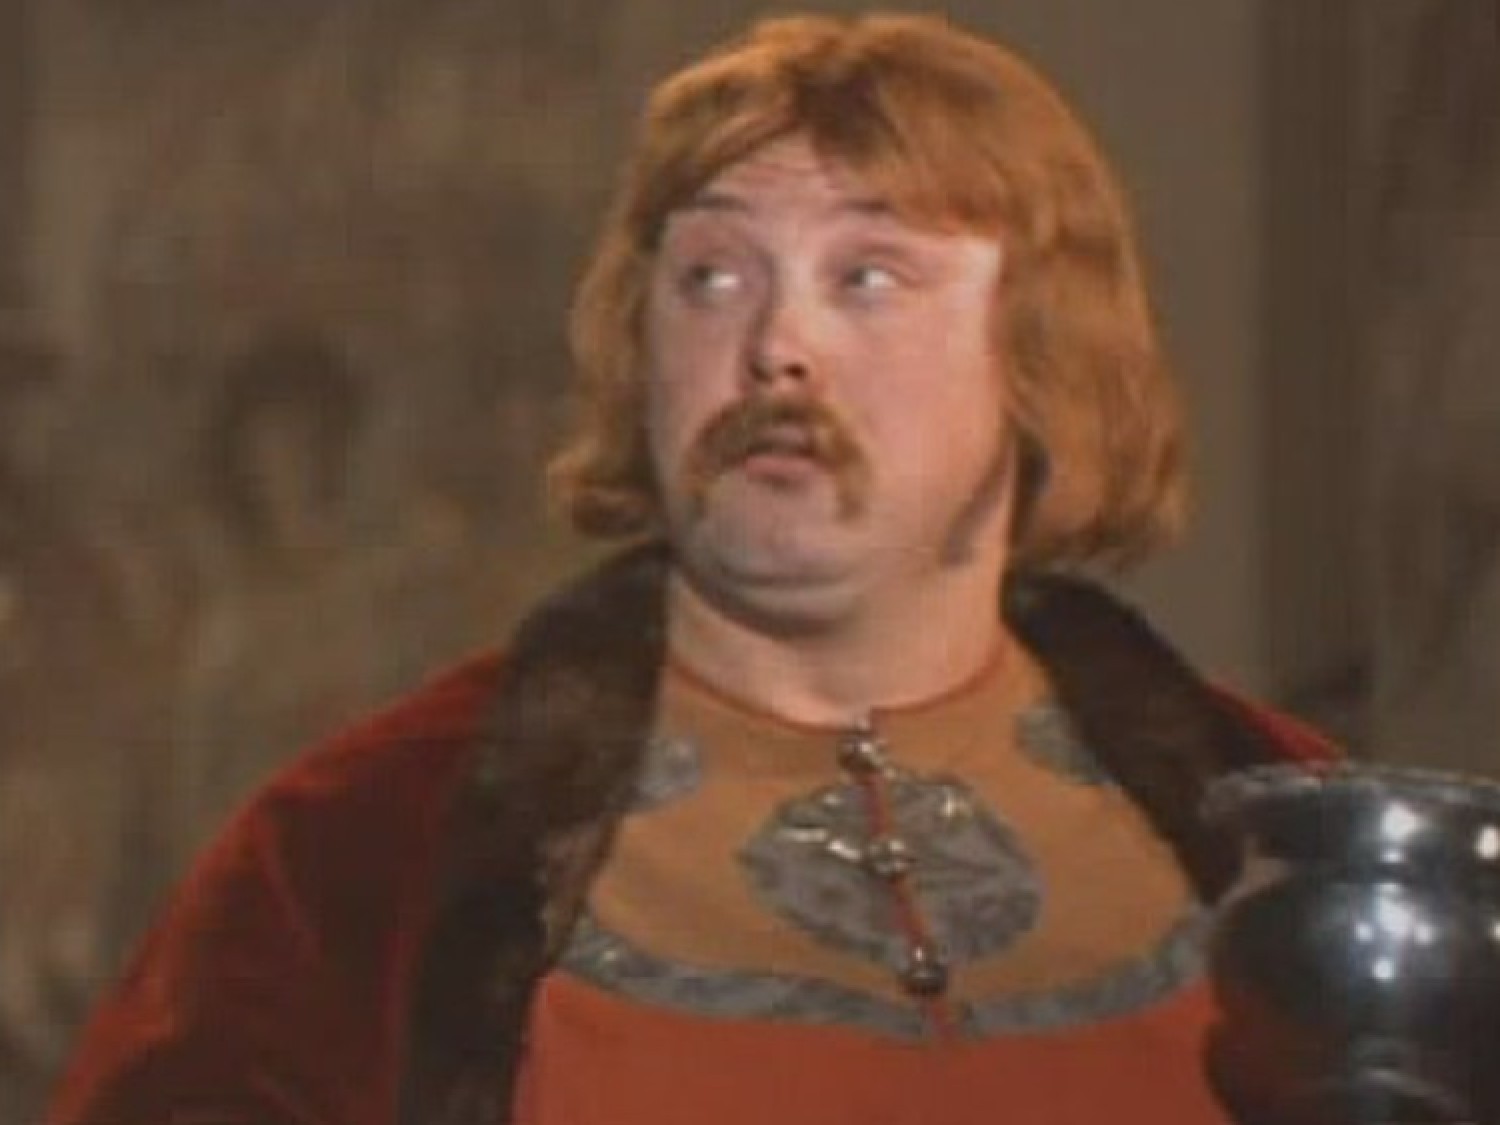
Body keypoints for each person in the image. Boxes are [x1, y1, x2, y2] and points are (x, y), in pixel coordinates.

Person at [44, 13, 1333, 1125]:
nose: (776, 344)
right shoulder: (353, 863)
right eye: (712, 276)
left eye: (868, 275)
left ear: (1041, 347)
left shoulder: (1292, 845)